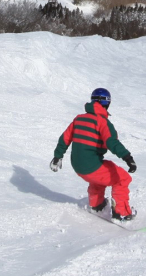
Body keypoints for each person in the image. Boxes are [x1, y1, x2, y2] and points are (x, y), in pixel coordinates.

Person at [51, 88, 137, 222]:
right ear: (107, 103)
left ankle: (97, 204)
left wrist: (58, 156)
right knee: (122, 178)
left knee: (104, 171)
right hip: (91, 165)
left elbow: (65, 138)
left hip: (78, 164)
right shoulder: (102, 122)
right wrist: (127, 157)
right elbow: (111, 142)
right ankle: (122, 213)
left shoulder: (79, 119)